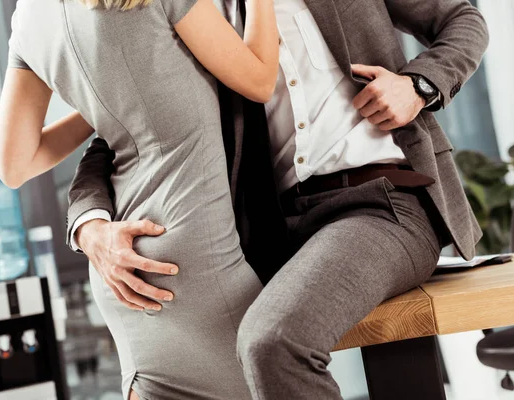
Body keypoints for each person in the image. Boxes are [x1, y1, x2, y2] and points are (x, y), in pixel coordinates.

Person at [70, 0, 489, 398]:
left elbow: (463, 21)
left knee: (272, 342)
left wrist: (417, 86)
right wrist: (89, 223)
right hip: (270, 233)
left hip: (383, 204)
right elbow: (119, 132)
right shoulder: (195, 14)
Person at [0, 0, 281, 398]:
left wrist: (100, 101)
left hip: (122, 271)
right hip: (198, 258)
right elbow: (261, 79)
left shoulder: (28, 15)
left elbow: (14, 164)